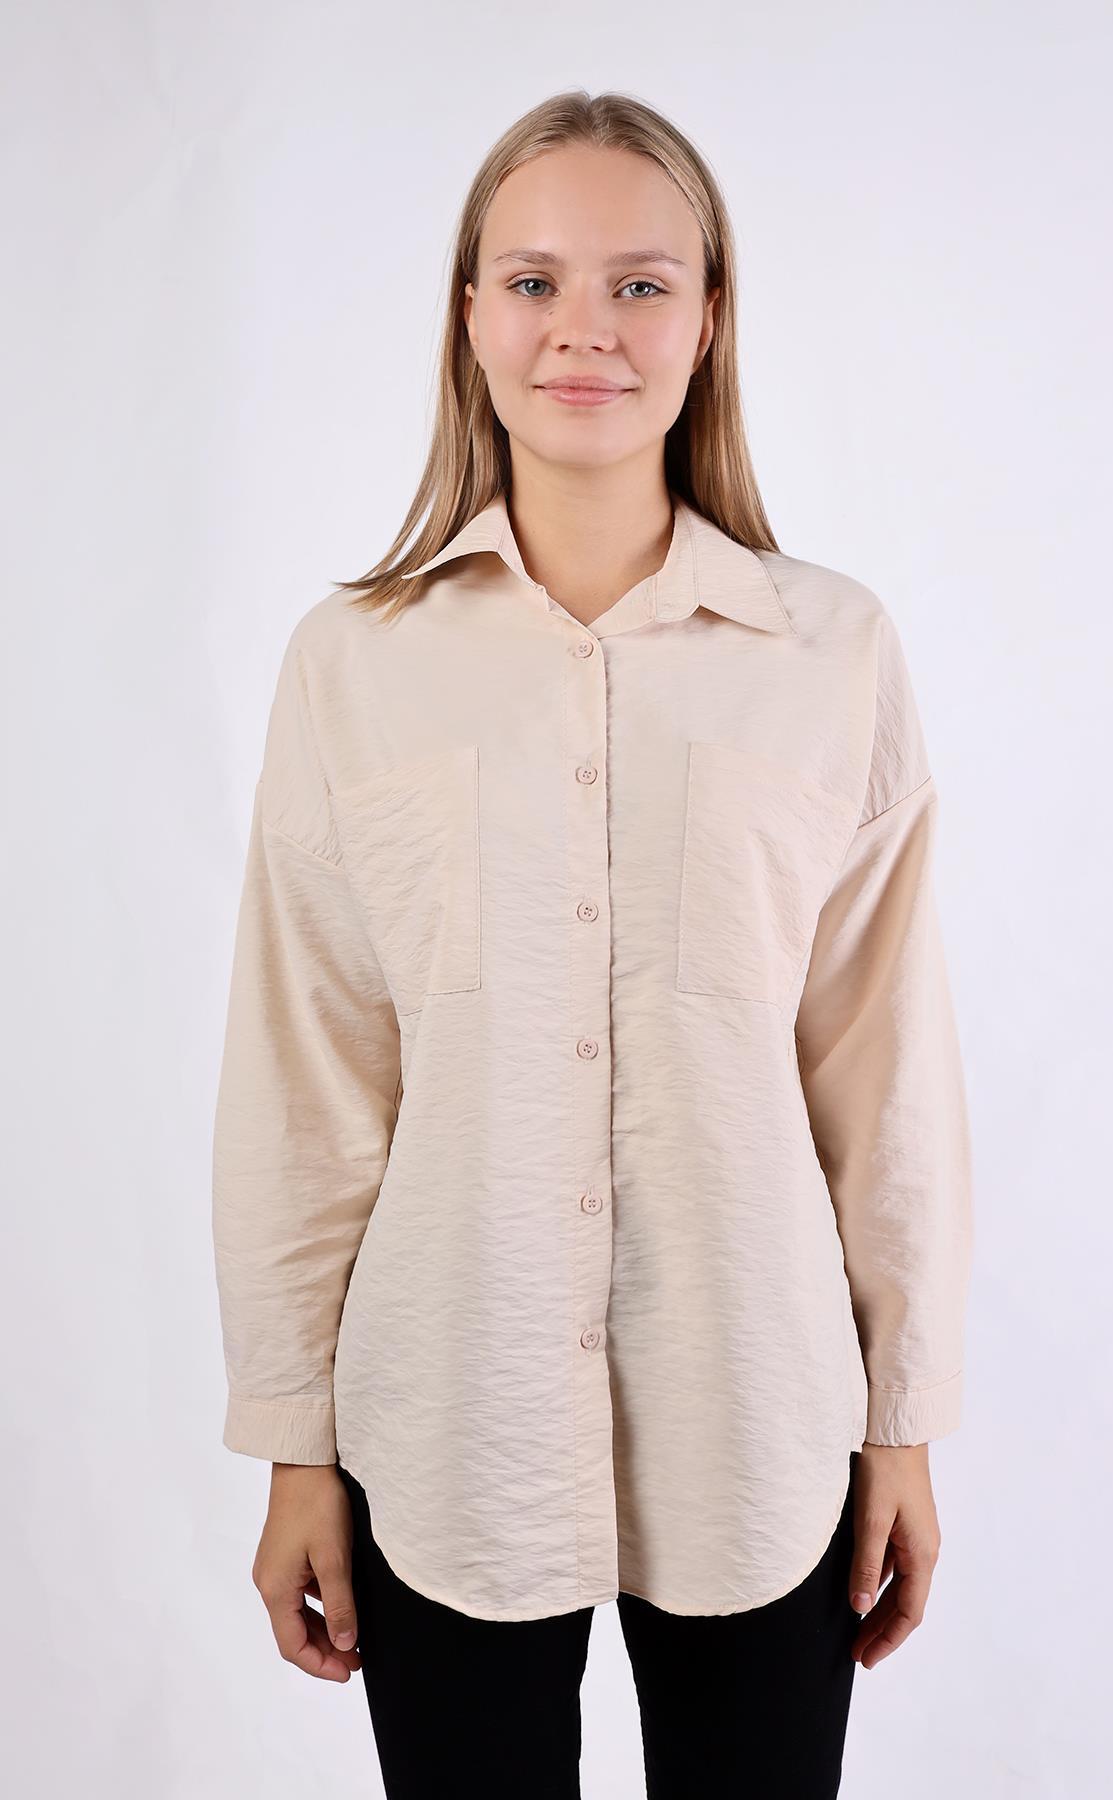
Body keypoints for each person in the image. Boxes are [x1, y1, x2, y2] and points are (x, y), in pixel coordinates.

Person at [211, 87, 973, 1800]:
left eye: (641, 283)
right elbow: (309, 1072)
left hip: (764, 1421)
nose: (586, 328)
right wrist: (293, 1445)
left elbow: (882, 1071)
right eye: (534, 280)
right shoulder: (353, 663)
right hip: (441, 1426)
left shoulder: (833, 652)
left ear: (708, 321)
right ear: (471, 317)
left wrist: (902, 1419)